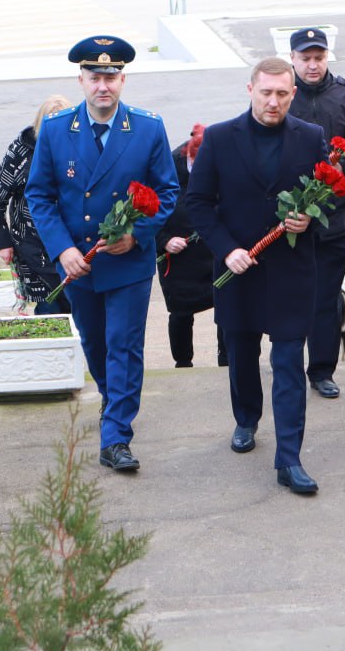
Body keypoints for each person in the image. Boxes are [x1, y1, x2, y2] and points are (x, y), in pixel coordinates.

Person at [25, 35, 178, 474]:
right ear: (81, 80)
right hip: (81, 263)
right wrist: (63, 250)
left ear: (123, 79)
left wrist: (137, 234)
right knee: (94, 343)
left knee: (123, 346)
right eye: (95, 77)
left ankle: (116, 436)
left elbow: (168, 192)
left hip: (128, 262)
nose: (103, 86)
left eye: (111, 77)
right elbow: (40, 195)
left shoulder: (147, 127)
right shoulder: (56, 130)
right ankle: (115, 404)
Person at [184, 57, 327, 495]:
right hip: (239, 270)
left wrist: (310, 219)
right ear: (250, 90)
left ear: (293, 94)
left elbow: (332, 196)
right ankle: (246, 418)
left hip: (291, 272)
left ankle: (289, 458)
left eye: (283, 94)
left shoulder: (311, 137)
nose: (274, 101)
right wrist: (227, 250)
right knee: (242, 356)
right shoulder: (221, 139)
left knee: (288, 363)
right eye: (266, 92)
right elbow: (198, 203)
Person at [286, 27, 345, 399]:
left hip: (334, 219)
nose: (312, 64)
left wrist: (344, 169)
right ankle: (287, 367)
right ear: (293, 59)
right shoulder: (281, 95)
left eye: (318, 57)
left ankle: (321, 370)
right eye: (305, 58)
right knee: (289, 298)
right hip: (289, 220)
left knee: (325, 299)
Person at [0, 93, 73, 316]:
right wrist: (1, 242)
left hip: (72, 243)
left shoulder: (78, 148)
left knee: (76, 308)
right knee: (48, 308)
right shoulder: (21, 150)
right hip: (30, 244)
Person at [155, 124, 227, 368]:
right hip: (178, 257)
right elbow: (147, 214)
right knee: (180, 313)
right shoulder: (166, 168)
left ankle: (226, 359)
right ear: (189, 153)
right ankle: (183, 362)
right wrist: (164, 241)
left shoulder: (222, 164)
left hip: (214, 250)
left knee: (226, 306)